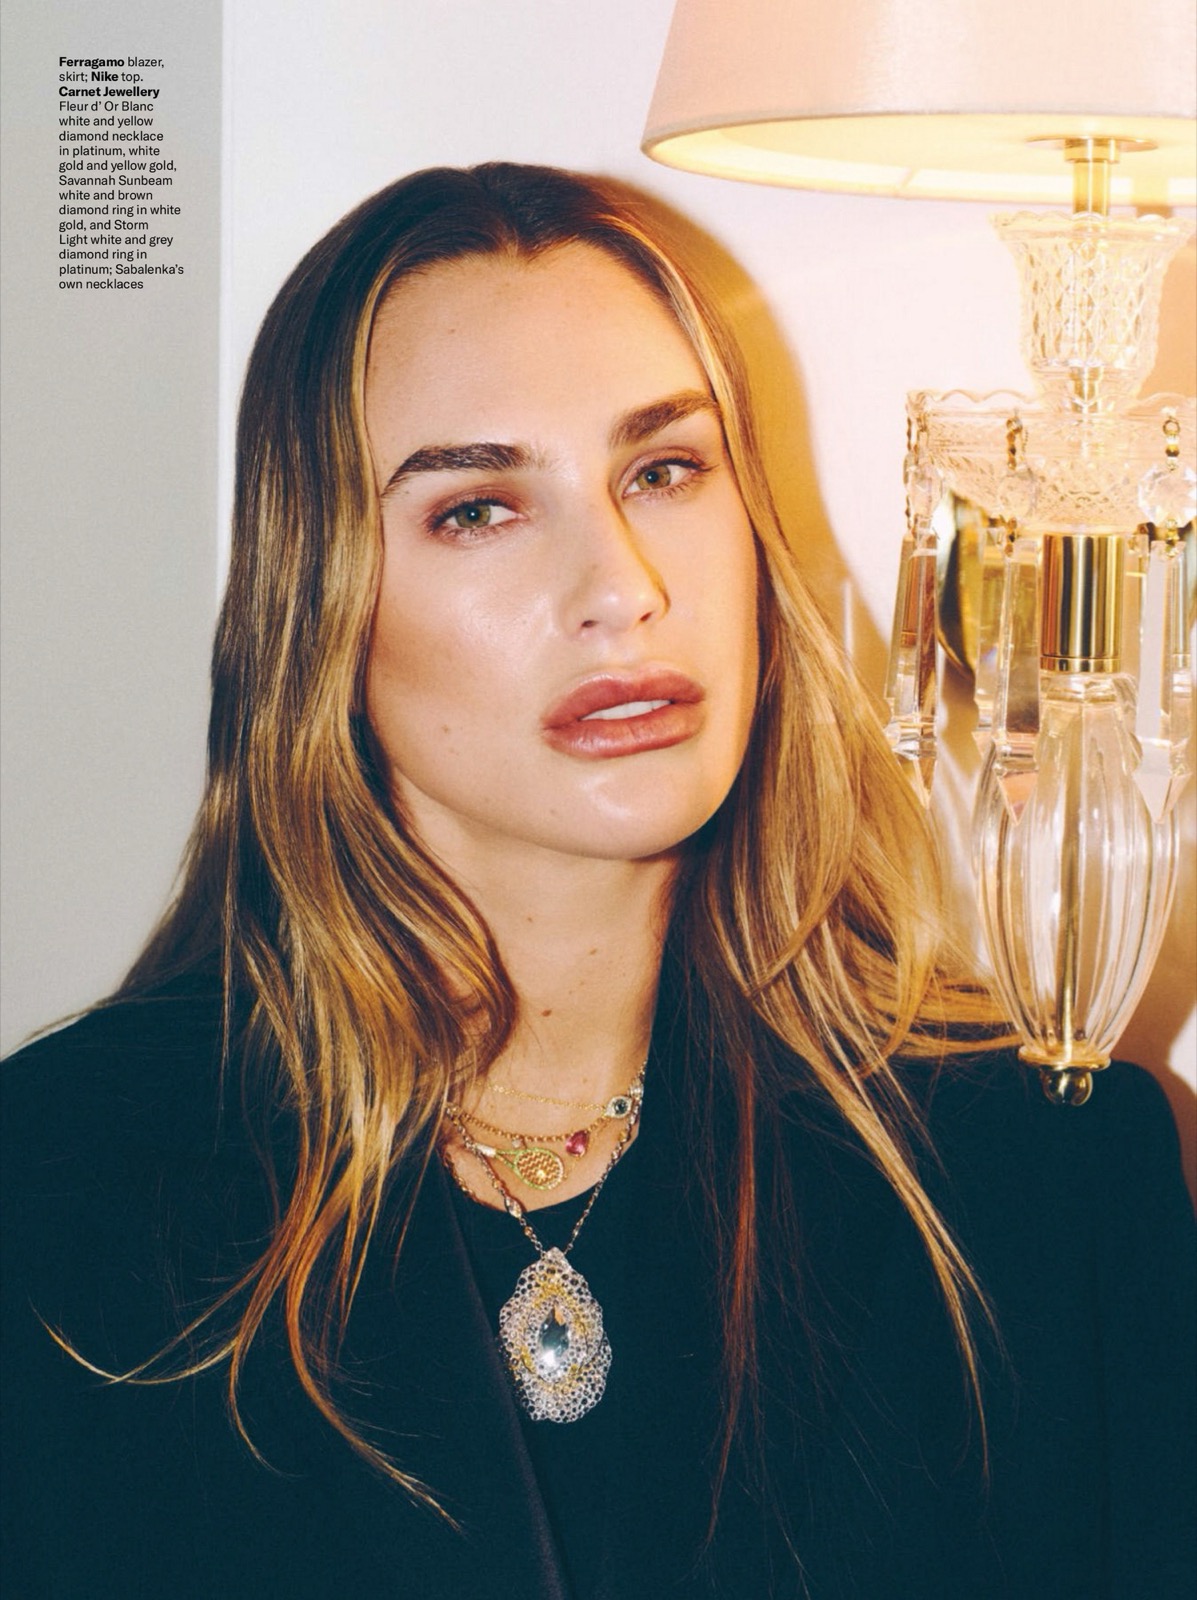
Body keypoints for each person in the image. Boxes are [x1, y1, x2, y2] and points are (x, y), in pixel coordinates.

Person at [1, 163, 1193, 1600]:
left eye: (663, 471)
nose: (622, 586)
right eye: (476, 509)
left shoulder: (1042, 1180)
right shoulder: (59, 1191)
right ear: (319, 603)